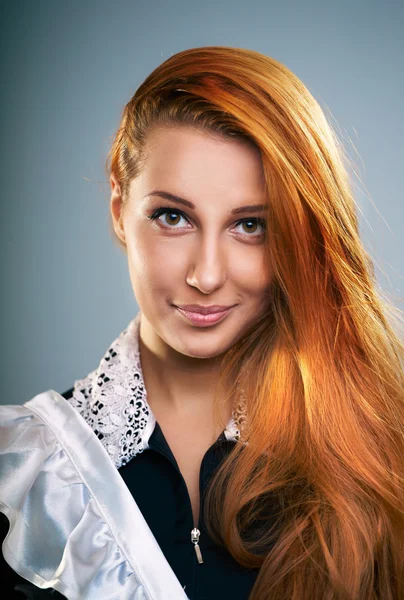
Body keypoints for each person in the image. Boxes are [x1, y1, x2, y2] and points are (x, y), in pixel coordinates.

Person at [1, 46, 404, 600]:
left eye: (250, 226)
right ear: (120, 206)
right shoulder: (26, 475)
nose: (207, 275)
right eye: (174, 217)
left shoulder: (381, 455)